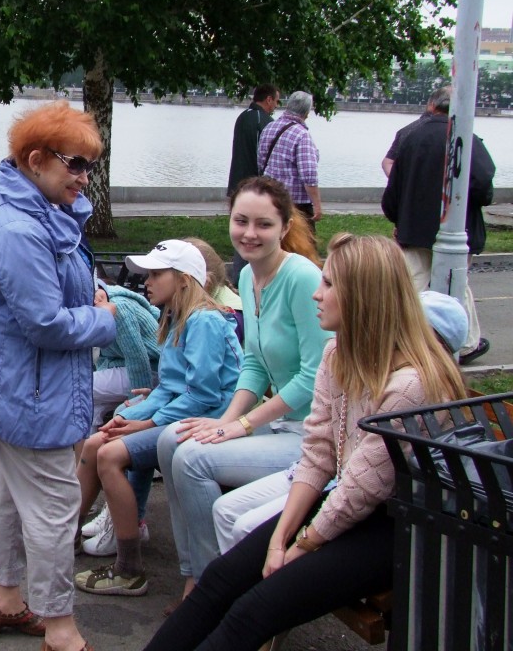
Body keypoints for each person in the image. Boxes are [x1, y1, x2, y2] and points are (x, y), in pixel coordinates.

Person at [142, 234, 467, 651]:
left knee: (252, 610)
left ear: (364, 297)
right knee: (222, 578)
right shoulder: (338, 354)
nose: (317, 293)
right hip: (347, 504)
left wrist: (298, 548)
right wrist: (279, 538)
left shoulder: (409, 385)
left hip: (398, 526)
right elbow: (317, 456)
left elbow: (360, 490)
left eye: (330, 285)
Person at [0, 100, 117, 651]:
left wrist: (86, 296)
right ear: (36, 159)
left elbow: (43, 299)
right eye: (75, 164)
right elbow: (44, 323)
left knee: (9, 499)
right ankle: (61, 630)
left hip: (10, 386)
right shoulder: (21, 228)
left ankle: (4, 601)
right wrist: (103, 318)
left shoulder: (28, 208)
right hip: (30, 394)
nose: (85, 177)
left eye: (89, 165)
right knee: (53, 510)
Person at [155, 176, 332, 610]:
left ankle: (216, 586)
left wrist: (245, 424)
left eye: (263, 224)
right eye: (240, 221)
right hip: (279, 426)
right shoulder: (250, 274)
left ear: (285, 227)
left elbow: (314, 375)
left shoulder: (302, 277)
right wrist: (226, 421)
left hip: (310, 436)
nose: (249, 234)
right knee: (170, 440)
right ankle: (195, 572)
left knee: (194, 459)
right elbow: (253, 363)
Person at [211, 289, 469, 554]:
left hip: (357, 499)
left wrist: (301, 543)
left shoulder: (409, 385)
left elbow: (362, 484)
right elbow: (322, 448)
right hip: (328, 473)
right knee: (225, 509)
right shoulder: (345, 356)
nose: (317, 295)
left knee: (246, 526)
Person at [73, 241, 242, 596]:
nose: (146, 281)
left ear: (183, 279)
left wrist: (145, 424)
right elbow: (168, 387)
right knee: (95, 441)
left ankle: (129, 567)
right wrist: (132, 415)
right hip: (186, 415)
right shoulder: (177, 318)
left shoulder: (205, 321)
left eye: (155, 274)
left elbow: (203, 397)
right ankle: (65, 537)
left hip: (207, 423)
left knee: (109, 453)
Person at [381, 84, 496, 365]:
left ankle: (402, 340)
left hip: (414, 227)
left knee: (413, 285)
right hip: (457, 228)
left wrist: (398, 218)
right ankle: (465, 343)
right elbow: (483, 186)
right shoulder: (465, 137)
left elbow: (392, 188)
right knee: (456, 285)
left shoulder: (410, 136)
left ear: (432, 106)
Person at [91, 279, 162, 431]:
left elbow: (137, 358)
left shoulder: (119, 309)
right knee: (88, 405)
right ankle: (87, 451)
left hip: (151, 370)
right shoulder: (100, 303)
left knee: (81, 387)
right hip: (122, 365)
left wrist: (139, 403)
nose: (95, 299)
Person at [227, 84, 280, 283]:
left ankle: (239, 278)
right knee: (254, 232)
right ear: (268, 100)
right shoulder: (262, 120)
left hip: (236, 185)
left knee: (241, 230)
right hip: (252, 186)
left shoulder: (242, 117)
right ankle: (250, 279)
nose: (275, 105)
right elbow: (262, 156)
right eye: (276, 101)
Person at [257, 91, 322, 230]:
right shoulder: (301, 134)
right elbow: (309, 174)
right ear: (306, 112)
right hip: (296, 204)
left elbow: (261, 162)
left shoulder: (269, 128)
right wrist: (317, 205)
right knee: (303, 247)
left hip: (271, 198)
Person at [380, 89, 446, 177]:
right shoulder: (461, 135)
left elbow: (387, 163)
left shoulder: (407, 131)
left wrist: (401, 184)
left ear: (431, 105)